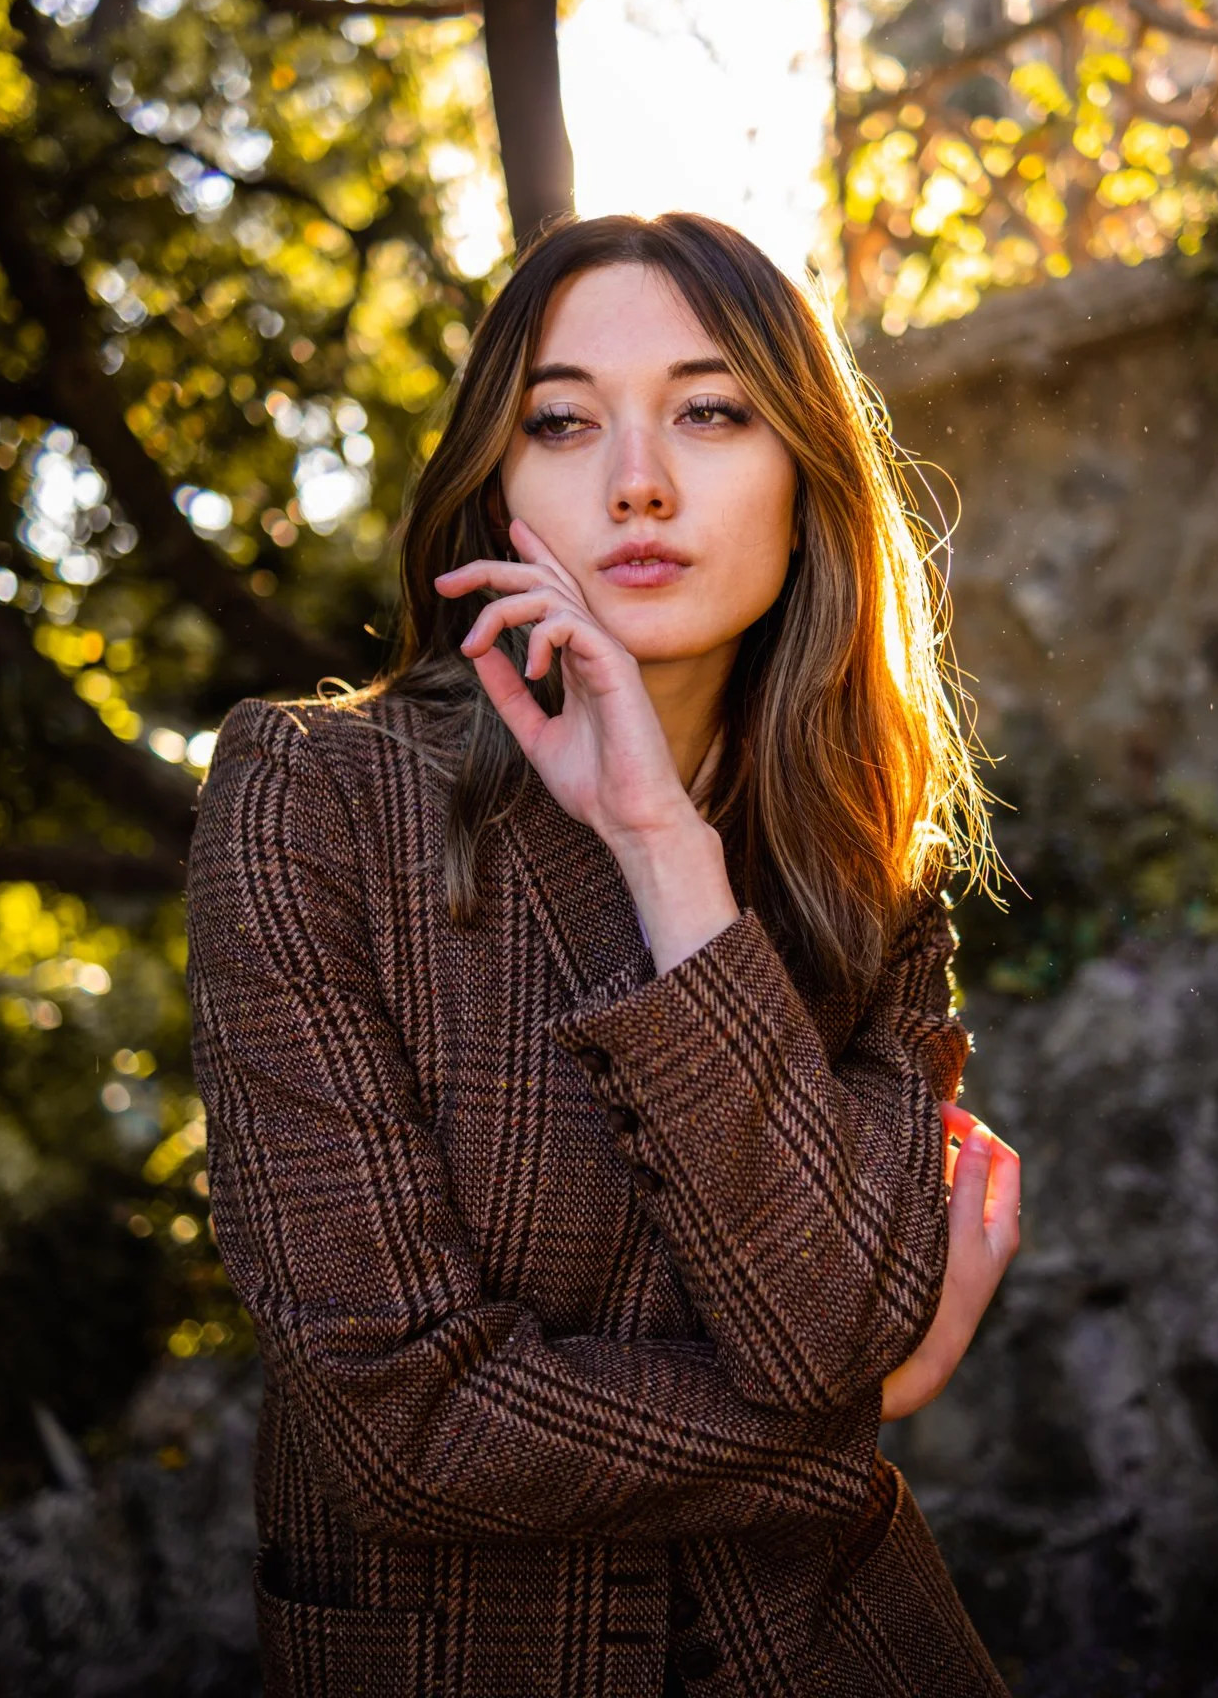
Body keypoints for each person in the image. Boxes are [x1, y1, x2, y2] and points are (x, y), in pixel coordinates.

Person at [185, 211, 1021, 1698]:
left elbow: (823, 1321)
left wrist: (660, 845)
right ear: (496, 487)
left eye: (711, 411)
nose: (638, 481)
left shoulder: (871, 874)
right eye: (561, 421)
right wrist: (844, 1417)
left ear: (806, 478)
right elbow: (406, 1425)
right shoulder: (314, 800)